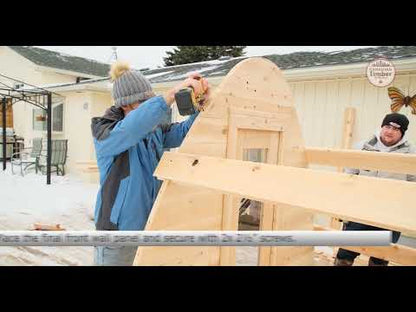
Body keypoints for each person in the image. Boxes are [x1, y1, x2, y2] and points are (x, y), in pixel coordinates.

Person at [91, 61, 210, 266]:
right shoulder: (106, 132)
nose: (150, 105)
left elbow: (183, 132)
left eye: (150, 100)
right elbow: (132, 128)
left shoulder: (154, 131)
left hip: (149, 229)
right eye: (143, 102)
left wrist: (201, 105)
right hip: (117, 235)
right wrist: (171, 95)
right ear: (126, 105)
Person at [334, 113, 415, 266]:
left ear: (402, 133)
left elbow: (413, 185)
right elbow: (349, 176)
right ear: (382, 127)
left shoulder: (412, 153)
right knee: (346, 250)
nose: (389, 131)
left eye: (396, 129)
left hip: (391, 214)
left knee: (380, 256)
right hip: (361, 210)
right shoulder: (363, 147)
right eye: (387, 126)